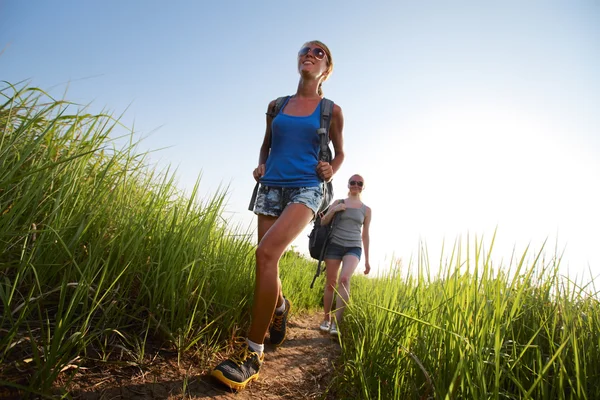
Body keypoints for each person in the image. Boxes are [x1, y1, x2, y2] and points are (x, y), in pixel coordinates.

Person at [211, 40, 345, 391]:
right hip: (271, 185)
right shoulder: (277, 105)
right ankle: (281, 306)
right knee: (268, 262)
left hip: (307, 187)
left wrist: (331, 168)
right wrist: (261, 164)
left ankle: (252, 355)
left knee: (265, 253)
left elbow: (341, 153)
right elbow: (267, 143)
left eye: (319, 53)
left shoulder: (331, 109)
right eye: (306, 50)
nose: (310, 55)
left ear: (326, 68)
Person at [319, 174, 371, 336]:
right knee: (331, 283)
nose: (356, 185)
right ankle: (326, 318)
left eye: (359, 183)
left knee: (344, 279)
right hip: (334, 245)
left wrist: (367, 260)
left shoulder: (366, 210)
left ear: (363, 186)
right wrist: (334, 210)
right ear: (348, 185)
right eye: (353, 182)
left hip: (353, 247)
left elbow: (365, 235)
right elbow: (323, 222)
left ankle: (337, 322)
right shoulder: (339, 202)